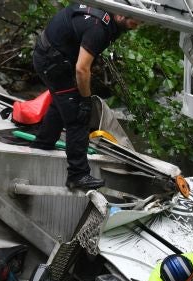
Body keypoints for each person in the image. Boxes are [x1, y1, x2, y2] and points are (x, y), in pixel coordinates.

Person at [31, 3, 140, 190]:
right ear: (121, 16)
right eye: (134, 21)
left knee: (62, 101)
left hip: (50, 53)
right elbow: (82, 69)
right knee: (78, 116)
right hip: (52, 61)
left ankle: (43, 143)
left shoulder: (104, 9)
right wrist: (86, 100)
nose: (136, 26)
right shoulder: (98, 28)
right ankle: (78, 176)